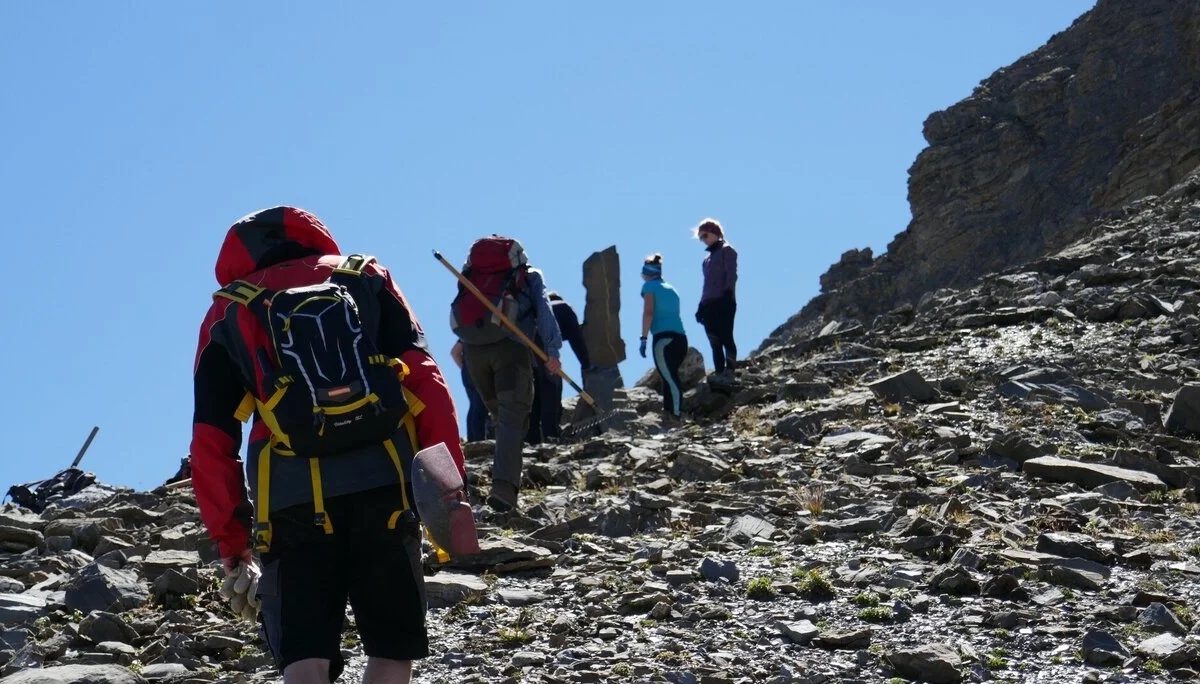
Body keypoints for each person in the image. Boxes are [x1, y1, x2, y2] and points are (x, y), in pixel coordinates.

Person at [191, 206, 464, 684]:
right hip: (386, 490)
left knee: (305, 657)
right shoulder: (365, 278)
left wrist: (231, 541)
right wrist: (449, 489)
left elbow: (212, 440)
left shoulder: (230, 310)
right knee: (391, 647)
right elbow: (427, 384)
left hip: (290, 505)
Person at [450, 235, 562, 512]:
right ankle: (503, 493)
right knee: (512, 421)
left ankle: (467, 486)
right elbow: (545, 311)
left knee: (500, 418)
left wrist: (463, 346)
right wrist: (552, 350)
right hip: (512, 352)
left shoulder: (473, 276)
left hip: (474, 353)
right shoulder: (529, 276)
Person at [526, 292, 590, 444]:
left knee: (536, 391)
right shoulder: (565, 309)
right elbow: (577, 342)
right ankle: (551, 436)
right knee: (551, 387)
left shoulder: (538, 310)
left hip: (527, 344)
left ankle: (531, 439)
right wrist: (587, 365)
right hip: (543, 345)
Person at [639, 254, 688, 421]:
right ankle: (669, 411)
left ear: (647, 272)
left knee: (669, 377)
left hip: (663, 340)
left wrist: (643, 338)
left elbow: (648, 312)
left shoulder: (649, 287)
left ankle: (676, 414)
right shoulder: (670, 288)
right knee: (669, 375)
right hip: (681, 338)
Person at [694, 218, 739, 378]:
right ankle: (719, 372)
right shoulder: (706, 261)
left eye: (705, 236)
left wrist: (728, 293)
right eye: (700, 238)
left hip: (724, 300)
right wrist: (701, 306)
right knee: (714, 340)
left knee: (726, 335)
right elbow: (706, 284)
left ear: (715, 232)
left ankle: (730, 370)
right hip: (709, 304)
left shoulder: (728, 251)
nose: (703, 240)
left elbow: (731, 274)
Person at [450, 341, 489, 442]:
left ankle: (473, 439)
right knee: (480, 405)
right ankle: (478, 440)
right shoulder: (480, 332)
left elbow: (455, 352)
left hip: (468, 371)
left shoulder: (467, 334)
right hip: (478, 371)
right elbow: (454, 352)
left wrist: (464, 368)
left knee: (474, 404)